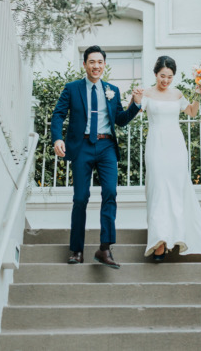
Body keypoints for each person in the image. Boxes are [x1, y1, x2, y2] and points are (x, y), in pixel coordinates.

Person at [50, 45, 143, 269]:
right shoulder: (72, 89)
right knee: (80, 198)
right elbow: (58, 114)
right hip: (81, 146)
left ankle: (105, 248)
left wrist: (136, 104)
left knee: (110, 192)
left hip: (106, 146)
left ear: (104, 65)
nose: (96, 66)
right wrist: (57, 138)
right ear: (85, 64)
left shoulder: (112, 90)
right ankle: (77, 250)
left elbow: (119, 119)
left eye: (100, 62)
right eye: (92, 62)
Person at [141, 56, 201, 261]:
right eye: (162, 76)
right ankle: (159, 241)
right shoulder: (146, 93)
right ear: (155, 74)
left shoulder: (177, 94)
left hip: (176, 146)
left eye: (169, 77)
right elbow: (134, 110)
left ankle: (175, 236)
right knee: (158, 189)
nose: (165, 80)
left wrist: (198, 94)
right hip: (156, 145)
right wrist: (135, 99)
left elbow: (192, 112)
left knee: (176, 190)